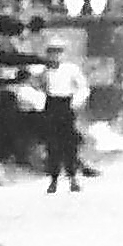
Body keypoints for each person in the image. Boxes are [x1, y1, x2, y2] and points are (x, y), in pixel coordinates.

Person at [40, 40, 89, 193]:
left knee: (69, 143)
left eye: (58, 52)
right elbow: (39, 87)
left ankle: (73, 178)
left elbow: (83, 87)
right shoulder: (44, 71)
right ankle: (53, 179)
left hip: (66, 104)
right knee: (52, 144)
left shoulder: (71, 69)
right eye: (52, 52)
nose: (55, 55)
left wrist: (75, 103)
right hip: (51, 104)